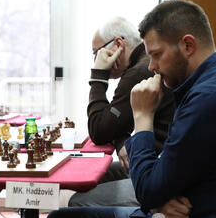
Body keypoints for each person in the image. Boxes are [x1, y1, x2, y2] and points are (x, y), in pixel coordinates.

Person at [45, 0, 216, 218]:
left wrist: (142, 116)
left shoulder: (207, 98)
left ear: (187, 45)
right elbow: (160, 179)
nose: (152, 67)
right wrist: (156, 202)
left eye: (156, 55)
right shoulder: (199, 84)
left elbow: (148, 189)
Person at [69, 17, 175, 207]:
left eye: (97, 53)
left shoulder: (139, 71)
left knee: (78, 201)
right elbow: (112, 126)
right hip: (155, 161)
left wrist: (98, 75)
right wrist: (120, 139)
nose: (96, 60)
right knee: (98, 174)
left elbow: (99, 131)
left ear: (118, 44)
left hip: (157, 172)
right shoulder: (141, 64)